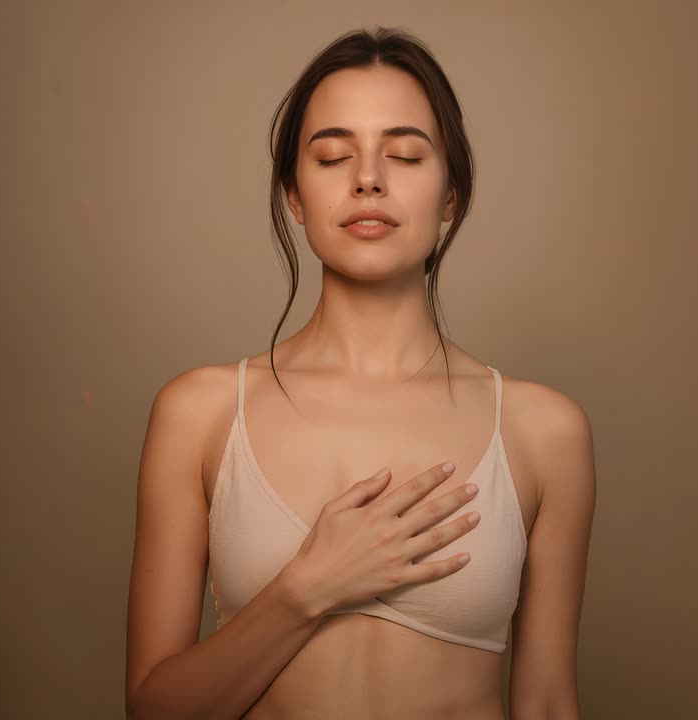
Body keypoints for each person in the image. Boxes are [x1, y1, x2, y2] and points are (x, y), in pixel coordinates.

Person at [124, 26, 595, 720]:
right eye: (333, 155)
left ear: (451, 199)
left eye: (404, 154)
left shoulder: (544, 431)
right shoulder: (198, 413)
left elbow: (549, 703)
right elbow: (153, 710)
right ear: (294, 197)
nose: (368, 178)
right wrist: (307, 587)